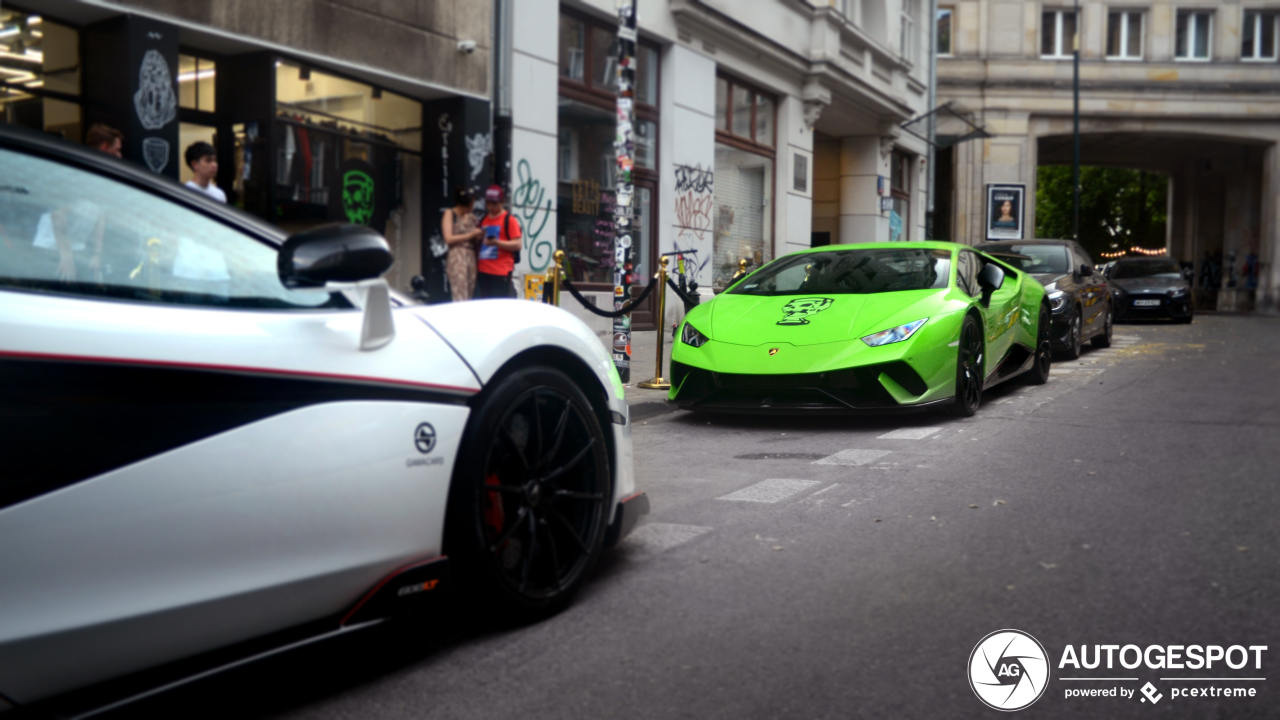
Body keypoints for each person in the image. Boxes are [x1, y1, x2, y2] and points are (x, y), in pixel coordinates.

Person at [474, 185, 523, 299]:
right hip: (484, 269)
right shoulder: (484, 219)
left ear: (502, 201)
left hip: (501, 270)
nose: (491, 207)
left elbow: (517, 244)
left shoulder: (509, 220)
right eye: (488, 203)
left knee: (499, 305)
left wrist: (496, 243)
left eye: (494, 203)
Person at [442, 186, 482, 301]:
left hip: (471, 255)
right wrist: (471, 234)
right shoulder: (450, 213)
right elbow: (448, 238)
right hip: (457, 253)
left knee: (470, 290)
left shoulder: (471, 217)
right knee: (460, 290)